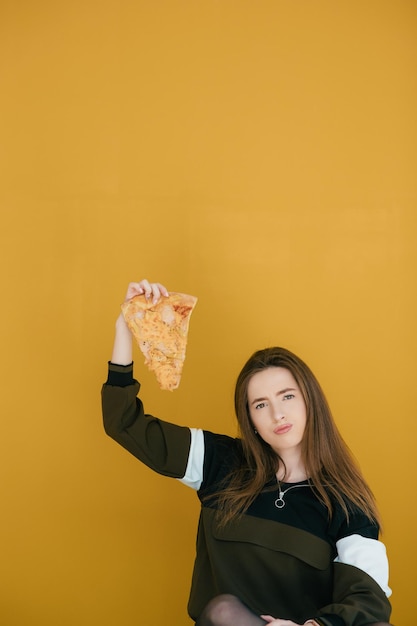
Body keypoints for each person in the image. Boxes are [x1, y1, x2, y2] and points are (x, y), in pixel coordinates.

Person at [102, 279, 393, 626]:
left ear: (309, 401)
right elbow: (123, 422)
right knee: (223, 610)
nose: (277, 414)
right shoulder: (218, 461)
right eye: (261, 405)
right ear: (250, 419)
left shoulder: (347, 505)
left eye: (287, 396)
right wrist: (127, 324)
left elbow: (369, 601)